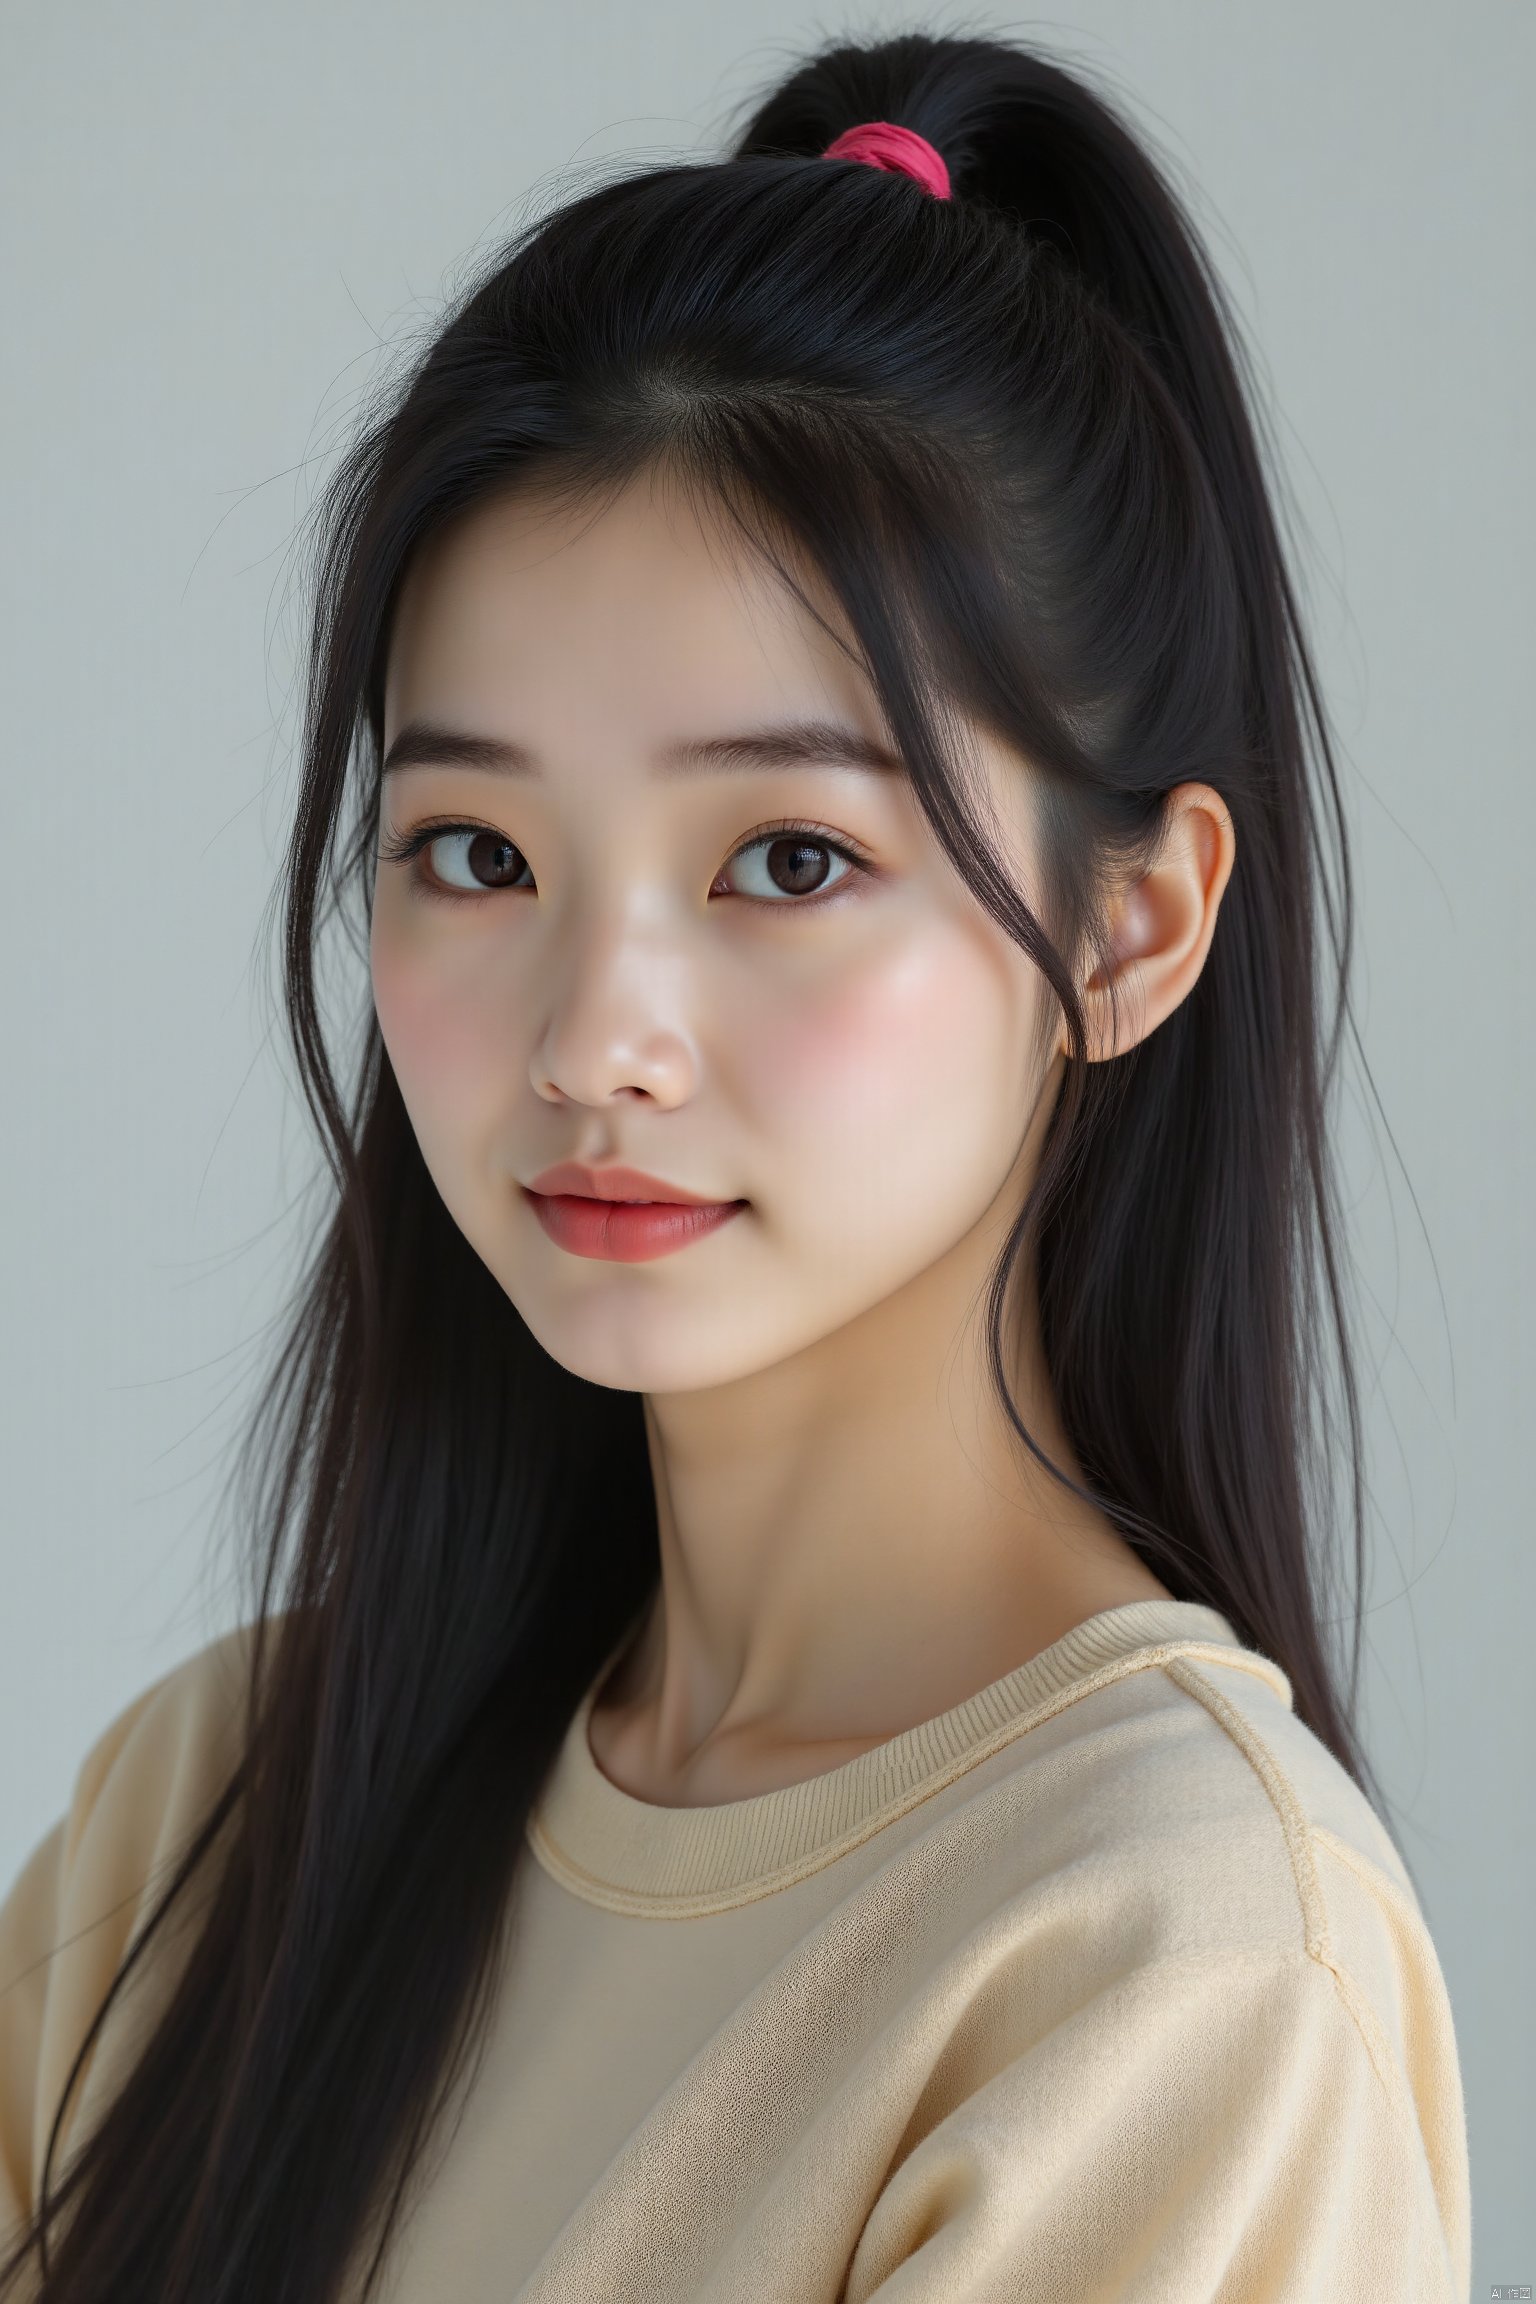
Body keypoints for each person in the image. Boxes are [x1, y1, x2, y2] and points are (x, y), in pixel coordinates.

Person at [0, 29, 1471, 2303]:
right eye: (475, 850)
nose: (596, 1034)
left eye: (788, 857)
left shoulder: (1165, 1969)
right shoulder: (205, 1815)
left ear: (1134, 923)